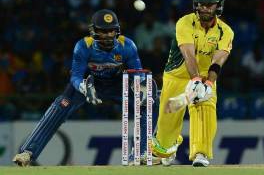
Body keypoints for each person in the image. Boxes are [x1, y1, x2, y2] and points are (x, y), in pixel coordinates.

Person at [12, 9, 158, 166]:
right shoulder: (83, 46)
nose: (108, 35)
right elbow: (75, 76)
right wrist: (83, 87)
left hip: (117, 84)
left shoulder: (127, 45)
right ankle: (27, 152)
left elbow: (137, 70)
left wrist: (141, 85)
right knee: (60, 106)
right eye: (103, 31)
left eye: (111, 30)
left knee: (150, 101)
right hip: (90, 83)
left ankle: (140, 154)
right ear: (94, 30)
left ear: (117, 30)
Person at [151, 0, 234, 167]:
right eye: (201, 4)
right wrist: (194, 79)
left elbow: (218, 61)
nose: (204, 8)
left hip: (205, 77)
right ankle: (169, 145)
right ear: (195, 4)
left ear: (218, 5)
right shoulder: (185, 22)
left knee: (205, 107)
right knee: (165, 132)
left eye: (209, 4)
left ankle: (201, 153)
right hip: (176, 76)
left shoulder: (226, 32)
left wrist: (208, 84)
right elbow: (189, 55)